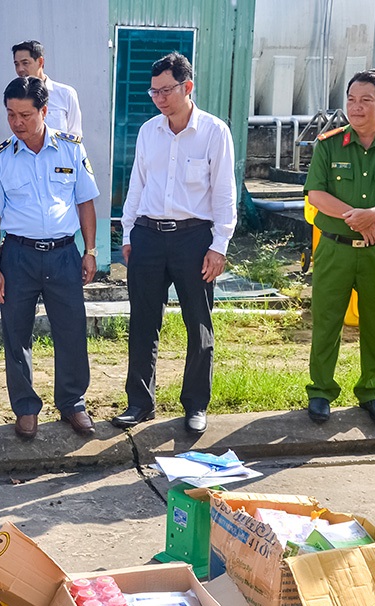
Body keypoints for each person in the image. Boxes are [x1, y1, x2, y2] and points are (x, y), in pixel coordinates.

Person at [112, 53, 237, 436]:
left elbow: (224, 194)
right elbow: (138, 184)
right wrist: (129, 232)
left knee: (198, 323)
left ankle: (195, 404)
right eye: (154, 91)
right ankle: (140, 402)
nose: (160, 98)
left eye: (166, 90)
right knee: (143, 322)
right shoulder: (150, 131)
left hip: (193, 240)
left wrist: (219, 246)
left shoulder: (214, 132)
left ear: (188, 87)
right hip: (148, 236)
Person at [0, 76, 99, 441]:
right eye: (11, 114)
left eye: (25, 115)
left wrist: (90, 250)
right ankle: (26, 408)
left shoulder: (71, 149)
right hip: (18, 257)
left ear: (44, 111)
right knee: (16, 335)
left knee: (71, 330)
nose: (17, 122)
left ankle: (72, 402)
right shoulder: (0, 159)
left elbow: (86, 202)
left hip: (63, 255)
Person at [304, 69, 375, 426]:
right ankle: (321, 392)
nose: (356, 108)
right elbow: (316, 194)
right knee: (326, 321)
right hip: (335, 248)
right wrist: (358, 218)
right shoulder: (328, 143)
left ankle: (372, 391)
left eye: (365, 100)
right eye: (351, 100)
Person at [11, 40, 82, 136]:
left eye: (25, 63)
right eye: (16, 64)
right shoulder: (15, 96)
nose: (20, 69)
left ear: (40, 62)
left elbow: (75, 135)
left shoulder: (66, 94)